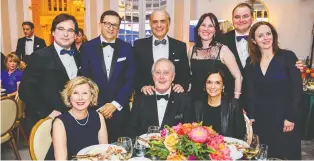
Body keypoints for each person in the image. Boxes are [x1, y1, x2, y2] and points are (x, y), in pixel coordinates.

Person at [223, 2, 304, 111]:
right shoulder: (222, 40)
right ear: (232, 19)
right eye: (237, 17)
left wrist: (296, 66)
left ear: (252, 18)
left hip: (263, 104)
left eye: (245, 16)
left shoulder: (266, 43)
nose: (241, 20)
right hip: (232, 99)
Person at [246, 21, 302, 159]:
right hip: (261, 119)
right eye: (260, 35)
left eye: (268, 33)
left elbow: (297, 90)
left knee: (284, 155)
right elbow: (250, 90)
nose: (266, 38)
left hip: (284, 118)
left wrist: (291, 117)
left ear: (273, 35)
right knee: (263, 154)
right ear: (254, 40)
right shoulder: (250, 62)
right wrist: (251, 116)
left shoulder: (287, 57)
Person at [80, 10, 135, 143]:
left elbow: (130, 79)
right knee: (96, 149)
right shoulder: (87, 47)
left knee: (121, 148)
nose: (111, 28)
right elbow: (85, 79)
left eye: (115, 25)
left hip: (120, 110)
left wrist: (115, 104)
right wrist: (100, 105)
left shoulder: (127, 48)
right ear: (100, 24)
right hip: (94, 109)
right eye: (107, 24)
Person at [19, 13, 81, 122]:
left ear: (76, 35)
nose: (65, 34)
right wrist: (47, 112)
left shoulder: (78, 56)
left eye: (70, 30)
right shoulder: (40, 56)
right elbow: (25, 90)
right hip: (46, 119)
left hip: (72, 116)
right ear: (53, 32)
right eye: (61, 29)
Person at [45, 76, 108, 160]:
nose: (80, 98)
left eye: (85, 93)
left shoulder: (98, 117)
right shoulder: (60, 123)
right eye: (75, 93)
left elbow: (104, 151)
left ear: (92, 96)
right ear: (69, 96)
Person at [129, 58, 195, 137]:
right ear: (153, 76)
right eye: (157, 72)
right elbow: (131, 131)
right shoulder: (140, 100)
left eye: (166, 73)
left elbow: (191, 132)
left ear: (173, 77)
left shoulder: (184, 100)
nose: (161, 77)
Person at [134, 9, 191, 95]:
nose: (159, 25)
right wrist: (142, 87)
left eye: (162, 21)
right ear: (150, 24)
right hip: (145, 99)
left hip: (174, 101)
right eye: (155, 22)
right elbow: (132, 74)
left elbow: (186, 74)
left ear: (168, 23)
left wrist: (182, 85)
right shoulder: (139, 45)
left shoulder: (180, 46)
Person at [189, 13, 242, 101]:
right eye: (203, 25)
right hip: (195, 101)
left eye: (210, 26)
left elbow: (238, 76)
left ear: (215, 30)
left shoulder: (223, 50)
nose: (206, 29)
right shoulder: (191, 50)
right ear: (198, 29)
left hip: (216, 102)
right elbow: (190, 76)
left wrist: (235, 101)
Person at [193, 69, 245, 139]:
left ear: (223, 86)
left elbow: (240, 135)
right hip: (203, 148)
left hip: (228, 147)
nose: (212, 86)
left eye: (217, 83)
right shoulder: (197, 105)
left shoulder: (233, 105)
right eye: (209, 82)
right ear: (205, 85)